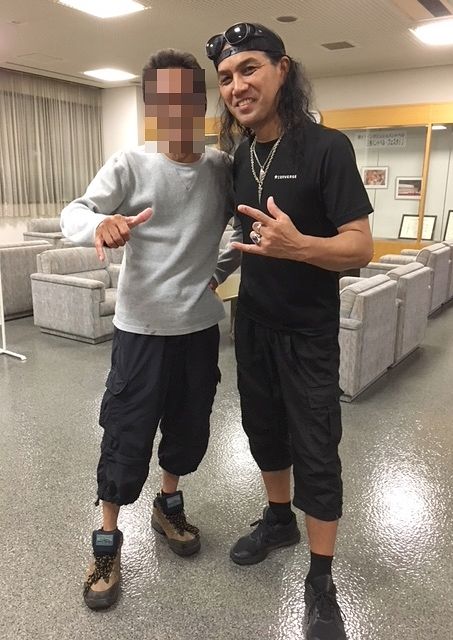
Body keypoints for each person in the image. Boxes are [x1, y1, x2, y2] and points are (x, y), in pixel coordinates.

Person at [205, 23, 374, 640]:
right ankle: (279, 520)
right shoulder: (240, 158)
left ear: (283, 68)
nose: (237, 86)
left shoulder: (328, 148)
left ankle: (321, 580)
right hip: (252, 323)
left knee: (317, 451)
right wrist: (203, 279)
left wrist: (300, 246)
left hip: (308, 332)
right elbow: (242, 240)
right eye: (226, 77)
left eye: (249, 68)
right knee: (263, 433)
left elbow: (360, 246)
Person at [61, 49, 238, 610]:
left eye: (186, 98)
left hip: (198, 330)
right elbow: (74, 212)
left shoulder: (221, 168)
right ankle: (107, 541)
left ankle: (168, 505)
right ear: (150, 108)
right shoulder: (131, 165)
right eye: (163, 101)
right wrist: (101, 223)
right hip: (140, 331)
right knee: (126, 433)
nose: (176, 111)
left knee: (188, 427)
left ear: (201, 101)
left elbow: (244, 228)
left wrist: (219, 272)